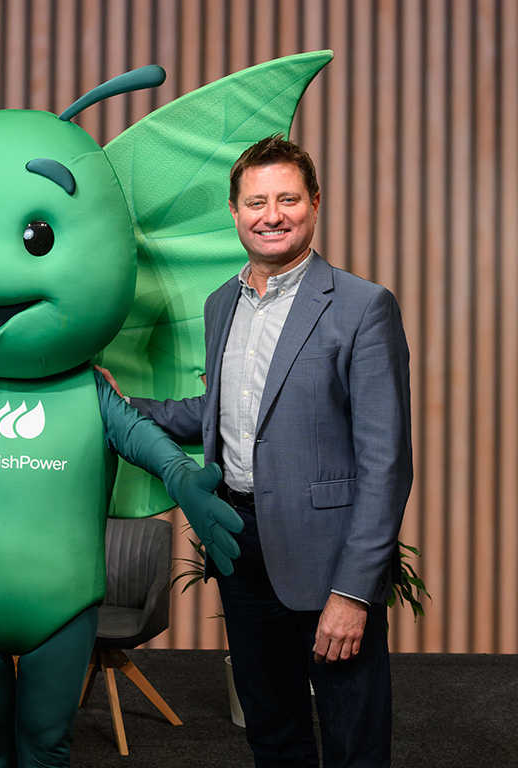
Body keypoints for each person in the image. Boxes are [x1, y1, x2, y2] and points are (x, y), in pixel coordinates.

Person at [101, 135, 412, 767]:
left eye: (287, 199)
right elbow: (215, 414)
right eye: (255, 202)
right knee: (270, 728)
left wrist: (354, 593)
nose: (271, 215)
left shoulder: (361, 307)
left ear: (315, 205)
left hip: (328, 554)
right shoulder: (222, 305)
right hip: (239, 542)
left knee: (353, 736)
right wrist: (122, 406)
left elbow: (386, 464)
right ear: (236, 213)